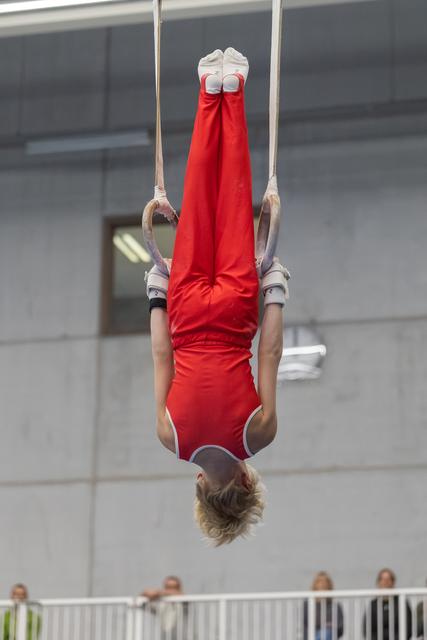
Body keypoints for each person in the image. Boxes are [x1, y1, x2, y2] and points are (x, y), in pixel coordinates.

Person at [147, 47, 289, 545]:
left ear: (246, 480)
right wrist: (157, 296)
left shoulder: (259, 435)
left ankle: (232, 91)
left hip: (233, 311)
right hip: (185, 312)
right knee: (199, 197)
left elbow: (269, 352)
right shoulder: (170, 436)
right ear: (200, 486)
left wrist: (275, 292)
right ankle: (210, 92)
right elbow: (162, 353)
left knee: (231, 196)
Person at [363, 568, 412, 640]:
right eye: (383, 579)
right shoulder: (373, 605)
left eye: (388, 579)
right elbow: (367, 629)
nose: (385, 582)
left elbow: (408, 628)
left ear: (393, 582)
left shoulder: (401, 602)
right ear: (378, 583)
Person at [141, 576, 188, 640]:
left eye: (174, 587)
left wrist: (157, 593)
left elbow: (181, 595)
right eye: (168, 587)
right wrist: (145, 594)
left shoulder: (184, 600)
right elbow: (144, 600)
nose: (170, 590)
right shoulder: (163, 605)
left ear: (179, 588)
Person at [303, 572, 344, 640]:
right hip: (311, 636)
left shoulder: (335, 607)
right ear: (315, 587)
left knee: (326, 633)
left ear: (329, 588)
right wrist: (326, 624)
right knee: (323, 633)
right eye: (320, 584)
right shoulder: (307, 604)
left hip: (329, 636)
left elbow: (340, 628)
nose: (322, 587)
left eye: (325, 586)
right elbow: (305, 625)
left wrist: (328, 627)